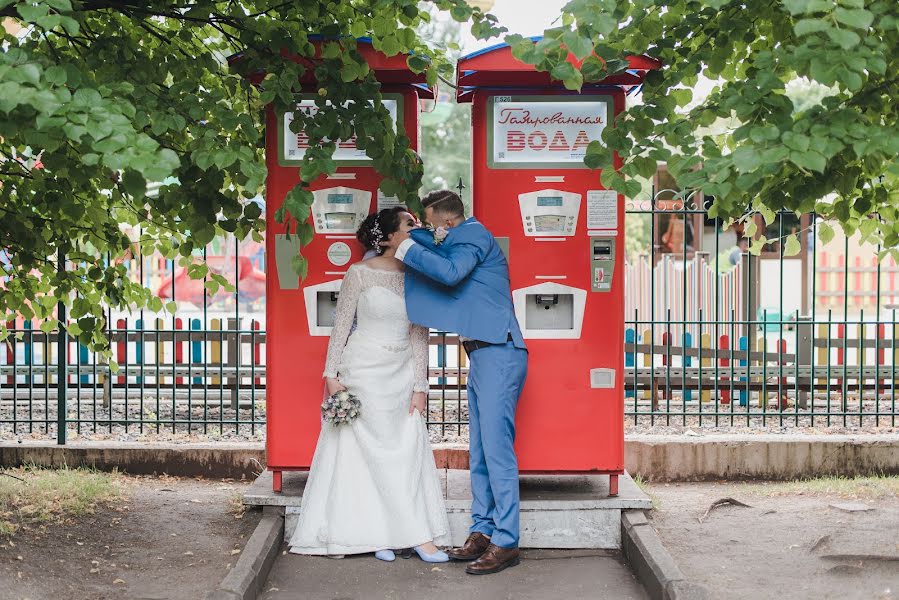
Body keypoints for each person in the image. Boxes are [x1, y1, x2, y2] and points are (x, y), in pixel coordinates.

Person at [287, 207, 450, 563]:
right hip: (362, 369)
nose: (417, 228)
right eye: (410, 224)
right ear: (389, 237)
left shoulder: (419, 275)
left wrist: (421, 386)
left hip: (402, 371)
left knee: (404, 452)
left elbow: (420, 335)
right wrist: (331, 375)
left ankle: (418, 537)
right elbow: (342, 324)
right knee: (361, 456)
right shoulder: (359, 273)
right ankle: (377, 535)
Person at [381, 190, 528, 576]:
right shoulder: (458, 237)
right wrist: (413, 236)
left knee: (497, 453)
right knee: (479, 452)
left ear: (446, 221)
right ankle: (482, 531)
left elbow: (449, 272)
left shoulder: (477, 235)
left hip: (500, 351)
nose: (431, 230)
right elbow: (437, 250)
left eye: (432, 224)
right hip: (482, 355)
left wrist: (406, 247)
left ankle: (507, 541)